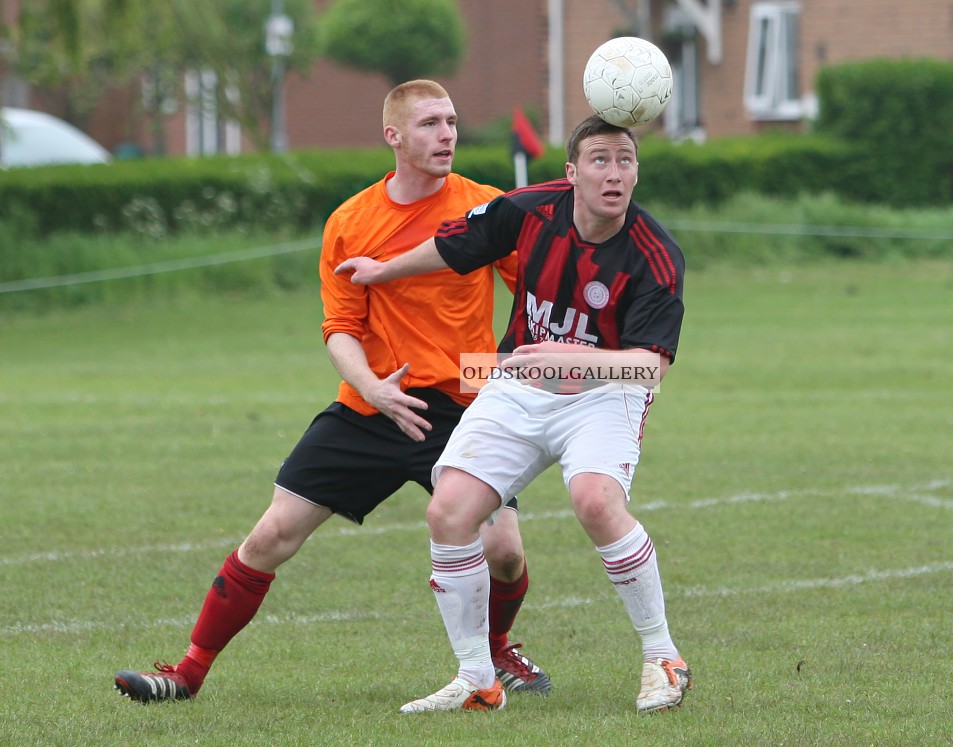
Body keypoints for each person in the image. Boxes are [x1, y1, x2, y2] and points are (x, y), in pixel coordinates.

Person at [113, 80, 549, 704]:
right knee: (269, 537)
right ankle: (187, 672)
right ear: (393, 136)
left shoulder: (485, 207)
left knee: (503, 551)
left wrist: (508, 363)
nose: (447, 134)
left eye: (451, 121)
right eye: (429, 123)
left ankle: (500, 649)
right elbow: (341, 327)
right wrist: (373, 387)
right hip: (371, 407)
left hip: (462, 409)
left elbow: (535, 291)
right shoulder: (351, 221)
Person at [335, 114, 689, 714]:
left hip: (606, 392)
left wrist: (575, 358)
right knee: (447, 512)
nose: (614, 173)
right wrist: (383, 269)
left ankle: (663, 658)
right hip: (521, 379)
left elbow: (649, 367)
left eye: (625, 160)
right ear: (571, 174)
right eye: (599, 160)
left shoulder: (654, 255)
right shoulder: (527, 209)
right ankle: (477, 678)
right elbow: (456, 245)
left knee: (597, 502)